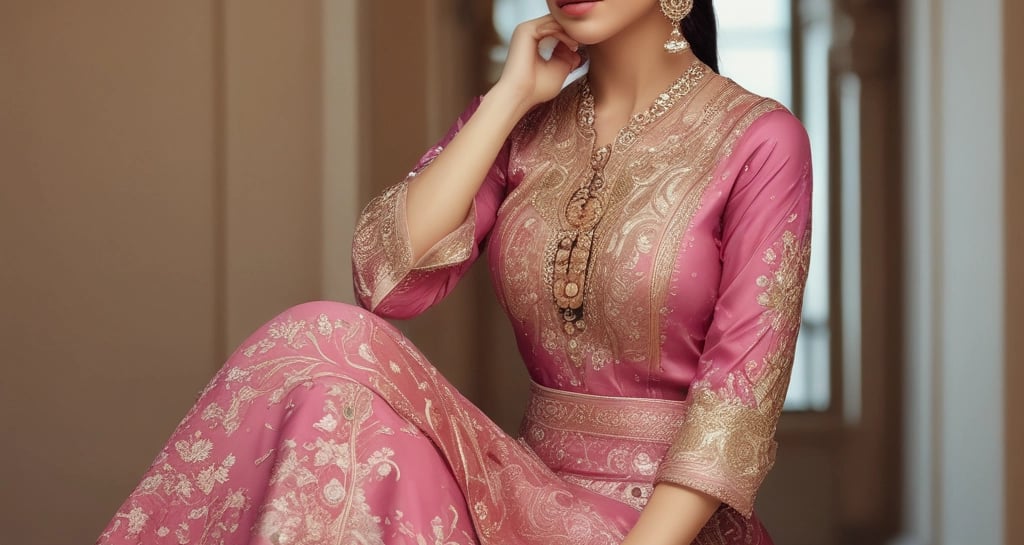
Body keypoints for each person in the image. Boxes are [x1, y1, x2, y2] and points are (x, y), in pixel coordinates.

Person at [98, 0, 812, 543]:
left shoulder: (759, 142)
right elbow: (385, 276)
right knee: (322, 343)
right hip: (525, 497)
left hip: (667, 525)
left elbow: (736, 409)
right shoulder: (524, 127)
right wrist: (507, 100)